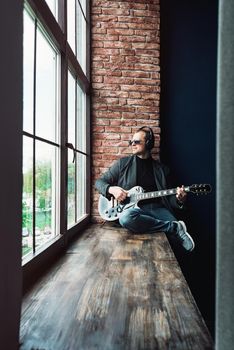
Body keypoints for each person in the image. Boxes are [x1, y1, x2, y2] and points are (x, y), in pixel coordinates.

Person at [95, 126, 195, 252]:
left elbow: (169, 199)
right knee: (125, 218)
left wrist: (180, 199)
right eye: (131, 142)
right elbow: (99, 182)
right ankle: (173, 227)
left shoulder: (163, 170)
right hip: (133, 211)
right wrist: (112, 190)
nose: (132, 144)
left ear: (148, 143)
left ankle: (175, 230)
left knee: (178, 243)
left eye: (136, 142)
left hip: (157, 208)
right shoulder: (123, 164)